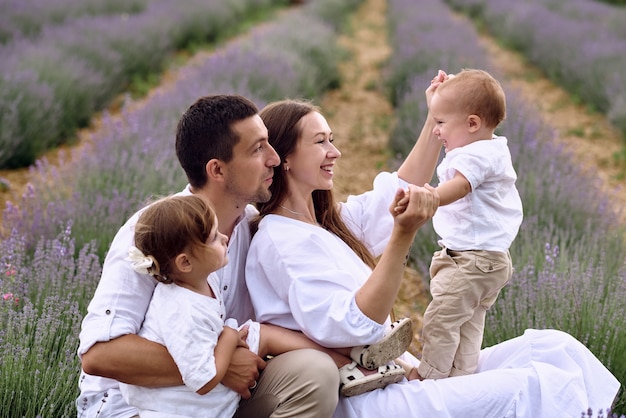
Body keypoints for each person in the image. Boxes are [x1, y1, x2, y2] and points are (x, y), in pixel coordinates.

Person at [244, 82, 620, 416]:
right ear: (285, 158)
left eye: (332, 139)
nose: (336, 151)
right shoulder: (281, 239)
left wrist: (434, 121)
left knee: (555, 348)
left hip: (396, 374)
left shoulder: (327, 222)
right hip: (367, 398)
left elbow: (399, 188)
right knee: (529, 386)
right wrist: (402, 236)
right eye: (321, 141)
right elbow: (350, 325)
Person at [76, 93, 429, 417]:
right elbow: (99, 355)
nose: (274, 159)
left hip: (218, 401)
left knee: (313, 374)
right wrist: (222, 364)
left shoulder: (255, 226)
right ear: (217, 170)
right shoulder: (154, 232)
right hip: (141, 408)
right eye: (259, 149)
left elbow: (366, 215)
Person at [118, 194, 408, 416]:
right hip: (188, 408)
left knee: (261, 333)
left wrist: (232, 337)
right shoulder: (181, 308)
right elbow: (201, 378)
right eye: (212, 238)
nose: (223, 238)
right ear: (185, 262)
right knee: (254, 334)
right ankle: (353, 359)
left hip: (213, 397)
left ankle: (353, 357)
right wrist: (229, 339)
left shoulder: (203, 284)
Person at [416, 68, 523, 380]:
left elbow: (461, 186)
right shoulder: (489, 148)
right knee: (468, 323)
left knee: (441, 319)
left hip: (472, 261)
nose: (436, 131)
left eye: (440, 123)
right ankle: (461, 378)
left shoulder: (475, 155)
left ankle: (430, 377)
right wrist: (437, 104)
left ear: (472, 123)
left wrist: (431, 197)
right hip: (489, 261)